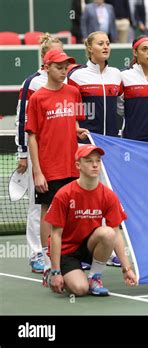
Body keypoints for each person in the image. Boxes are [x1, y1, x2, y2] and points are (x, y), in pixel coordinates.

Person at [24, 49, 89, 286]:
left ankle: (72, 257)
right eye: (59, 67)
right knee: (48, 213)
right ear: (47, 67)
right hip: (49, 168)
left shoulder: (73, 92)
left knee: (73, 214)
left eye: (66, 68)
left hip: (73, 165)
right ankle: (47, 261)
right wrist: (38, 171)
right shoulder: (38, 98)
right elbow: (32, 137)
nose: (64, 71)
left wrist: (77, 130)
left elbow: (73, 122)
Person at [45, 145, 137, 296]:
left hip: (89, 246)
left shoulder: (108, 195)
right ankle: (53, 274)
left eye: (98, 161)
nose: (95, 165)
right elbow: (55, 235)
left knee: (108, 233)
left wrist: (127, 269)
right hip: (67, 251)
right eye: (89, 161)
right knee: (80, 290)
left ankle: (95, 277)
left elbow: (116, 233)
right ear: (78, 165)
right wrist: (55, 271)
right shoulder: (64, 194)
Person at [16, 34, 64, 273]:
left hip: (59, 157)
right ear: (45, 59)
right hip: (37, 156)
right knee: (37, 208)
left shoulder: (67, 83)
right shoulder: (32, 83)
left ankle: (57, 252)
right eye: (55, 54)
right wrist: (23, 153)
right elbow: (22, 119)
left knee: (59, 205)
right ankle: (36, 253)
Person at [68, 31, 123, 137]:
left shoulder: (116, 73)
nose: (106, 47)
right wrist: (76, 130)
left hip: (112, 140)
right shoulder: (76, 75)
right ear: (90, 48)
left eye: (108, 43)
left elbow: (122, 107)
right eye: (101, 44)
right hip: (86, 139)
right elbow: (69, 109)